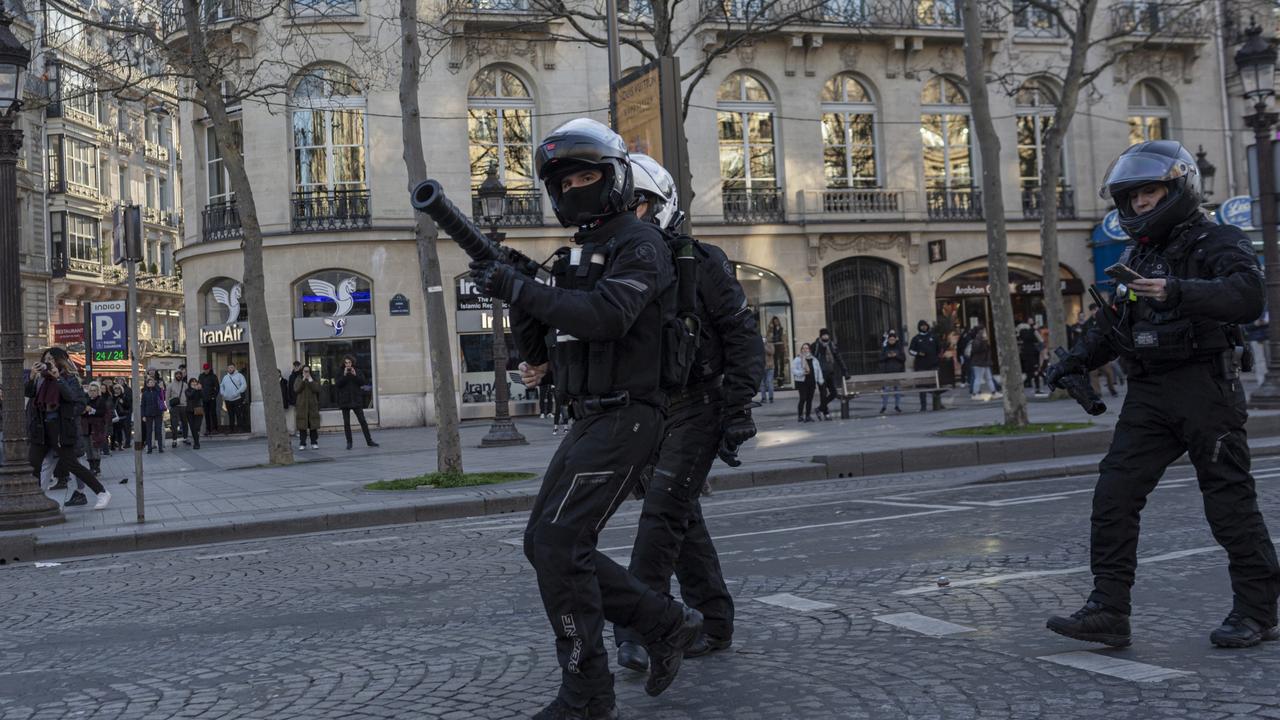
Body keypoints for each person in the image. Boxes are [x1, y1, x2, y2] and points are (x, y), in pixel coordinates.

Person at [472, 118, 702, 719]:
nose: (575, 186)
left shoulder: (641, 245)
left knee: (558, 541)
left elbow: (606, 315)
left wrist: (522, 289)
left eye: (586, 174)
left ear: (614, 176)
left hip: (631, 417)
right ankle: (665, 623)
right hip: (590, 418)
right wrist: (514, 282)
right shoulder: (577, 253)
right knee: (542, 543)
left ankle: (589, 693)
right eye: (565, 179)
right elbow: (541, 350)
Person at [1044, 140, 1280, 649]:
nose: (1139, 205)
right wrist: (1074, 360)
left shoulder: (1219, 240)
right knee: (1114, 495)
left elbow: (1247, 295)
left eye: (1149, 193)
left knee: (1228, 502)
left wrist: (1178, 290)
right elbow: (1114, 325)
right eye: (1131, 198)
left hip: (1205, 389)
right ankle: (1109, 610)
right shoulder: (1137, 253)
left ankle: (1257, 612)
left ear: (1177, 187)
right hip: (1149, 392)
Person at [610, 153, 764, 676]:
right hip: (650, 411)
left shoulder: (701, 262)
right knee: (682, 519)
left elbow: (743, 334)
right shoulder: (620, 266)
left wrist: (739, 407)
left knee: (662, 514)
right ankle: (715, 622)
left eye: (641, 205)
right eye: (625, 205)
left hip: (700, 405)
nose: (634, 215)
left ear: (661, 204)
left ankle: (638, 629)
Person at [26, 348, 110, 509]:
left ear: (59, 361)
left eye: (51, 358)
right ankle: (37, 500)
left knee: (72, 464)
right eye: (46, 358)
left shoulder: (69, 378)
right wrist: (31, 378)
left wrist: (58, 379)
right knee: (33, 464)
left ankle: (102, 492)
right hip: (41, 428)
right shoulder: (40, 379)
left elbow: (74, 399)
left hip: (60, 429)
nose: (48, 361)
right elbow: (29, 395)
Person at [336, 355, 378, 450]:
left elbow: (363, 382)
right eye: (346, 363)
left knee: (363, 421)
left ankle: (369, 441)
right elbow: (338, 384)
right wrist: (344, 375)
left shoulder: (357, 371)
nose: (348, 364)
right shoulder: (340, 372)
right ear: (344, 363)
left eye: (349, 362)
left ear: (352, 363)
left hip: (356, 399)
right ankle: (349, 442)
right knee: (347, 423)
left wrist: (355, 375)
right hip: (345, 400)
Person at [811, 328, 847, 421]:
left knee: (834, 393)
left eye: (827, 335)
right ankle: (826, 413)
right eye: (824, 335)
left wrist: (844, 370)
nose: (826, 336)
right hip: (820, 374)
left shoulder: (832, 345)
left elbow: (838, 358)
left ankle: (819, 409)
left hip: (830, 373)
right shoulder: (816, 346)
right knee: (823, 394)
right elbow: (811, 359)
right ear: (820, 336)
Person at [908, 320, 941, 411]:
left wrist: (937, 358)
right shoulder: (916, 338)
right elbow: (910, 351)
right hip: (921, 366)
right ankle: (923, 406)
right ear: (919, 327)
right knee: (922, 387)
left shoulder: (933, 337)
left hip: (933, 365)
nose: (924, 327)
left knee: (935, 386)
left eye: (925, 325)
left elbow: (939, 349)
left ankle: (937, 404)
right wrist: (918, 353)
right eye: (922, 326)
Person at [791, 342, 822, 422]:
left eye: (807, 348)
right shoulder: (798, 359)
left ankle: (808, 416)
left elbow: (818, 370)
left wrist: (820, 380)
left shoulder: (814, 360)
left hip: (811, 382)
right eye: (803, 348)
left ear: (809, 350)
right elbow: (793, 369)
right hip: (802, 381)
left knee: (809, 399)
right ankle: (800, 416)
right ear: (801, 350)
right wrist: (801, 373)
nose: (805, 350)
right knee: (803, 398)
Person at [293, 365, 322, 450]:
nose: (306, 373)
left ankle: (314, 442)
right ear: (302, 371)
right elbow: (296, 389)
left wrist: (310, 380)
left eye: (308, 371)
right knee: (302, 426)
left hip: (312, 406)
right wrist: (303, 380)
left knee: (313, 425)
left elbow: (317, 389)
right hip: (302, 406)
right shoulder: (298, 379)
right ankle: (302, 443)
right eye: (305, 371)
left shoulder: (313, 379)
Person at [878, 330, 905, 413]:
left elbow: (903, 359)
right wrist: (887, 356)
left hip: (897, 371)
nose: (892, 341)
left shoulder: (899, 348)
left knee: (897, 390)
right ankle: (884, 406)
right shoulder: (885, 348)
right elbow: (880, 359)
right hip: (887, 372)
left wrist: (896, 356)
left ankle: (897, 406)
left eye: (893, 339)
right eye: (890, 339)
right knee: (886, 390)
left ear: (895, 340)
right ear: (888, 340)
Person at [968, 327, 998, 399]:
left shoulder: (980, 340)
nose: (985, 333)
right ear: (980, 332)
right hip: (980, 362)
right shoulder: (978, 341)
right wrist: (984, 342)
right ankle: (975, 394)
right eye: (983, 331)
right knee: (979, 378)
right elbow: (978, 350)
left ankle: (994, 392)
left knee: (988, 378)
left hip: (983, 362)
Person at [1017, 321, 1044, 395]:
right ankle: (1037, 387)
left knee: (1031, 371)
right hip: (1032, 353)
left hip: (1029, 354)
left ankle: (1033, 385)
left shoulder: (1024, 334)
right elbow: (1041, 340)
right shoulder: (1029, 333)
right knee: (1034, 371)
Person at [140, 377, 166, 454]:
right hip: (148, 414)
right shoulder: (144, 393)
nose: (151, 383)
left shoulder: (158, 391)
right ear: (147, 384)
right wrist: (143, 415)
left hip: (158, 413)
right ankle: (149, 448)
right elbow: (143, 405)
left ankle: (160, 447)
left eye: (152, 382)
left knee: (158, 431)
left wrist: (162, 389)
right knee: (149, 431)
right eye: (149, 382)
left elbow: (162, 398)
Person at [220, 364, 247, 433]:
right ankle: (231, 429)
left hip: (237, 398)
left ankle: (240, 428)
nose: (230, 369)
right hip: (228, 399)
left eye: (231, 368)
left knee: (238, 414)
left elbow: (244, 385)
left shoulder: (239, 376)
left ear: (234, 368)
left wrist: (237, 392)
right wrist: (223, 393)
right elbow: (221, 386)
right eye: (229, 368)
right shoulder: (225, 377)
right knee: (230, 415)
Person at [166, 369, 189, 448]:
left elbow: (188, 395)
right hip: (174, 407)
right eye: (177, 374)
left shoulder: (185, 385)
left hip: (184, 406)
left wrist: (187, 405)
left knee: (185, 423)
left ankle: (185, 438)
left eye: (180, 374)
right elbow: (167, 397)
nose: (178, 375)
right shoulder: (170, 385)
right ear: (175, 375)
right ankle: (174, 440)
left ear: (181, 375)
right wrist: (169, 407)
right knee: (174, 424)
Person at [109, 381, 132, 451]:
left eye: (118, 388)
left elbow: (128, 406)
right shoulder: (111, 397)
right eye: (115, 388)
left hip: (122, 416)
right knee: (113, 432)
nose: (117, 390)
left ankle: (120, 445)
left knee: (120, 432)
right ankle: (112, 445)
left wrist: (123, 402)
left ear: (121, 389)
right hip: (114, 416)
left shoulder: (124, 396)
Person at [185, 377, 205, 450]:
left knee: (197, 427)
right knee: (193, 428)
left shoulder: (199, 390)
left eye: (195, 382)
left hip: (198, 410)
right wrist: (194, 389)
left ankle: (196, 442)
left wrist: (200, 389)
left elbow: (203, 396)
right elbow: (190, 396)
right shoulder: (187, 390)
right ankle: (197, 443)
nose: (193, 383)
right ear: (189, 384)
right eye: (192, 382)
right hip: (189, 411)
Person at [768, 317, 788, 386]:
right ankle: (776, 378)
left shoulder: (782, 329)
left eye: (777, 321)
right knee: (775, 363)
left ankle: (781, 378)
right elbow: (769, 338)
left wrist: (785, 349)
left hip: (781, 346)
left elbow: (784, 338)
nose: (776, 322)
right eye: (774, 321)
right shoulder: (771, 329)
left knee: (782, 362)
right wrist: (770, 328)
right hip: (774, 346)